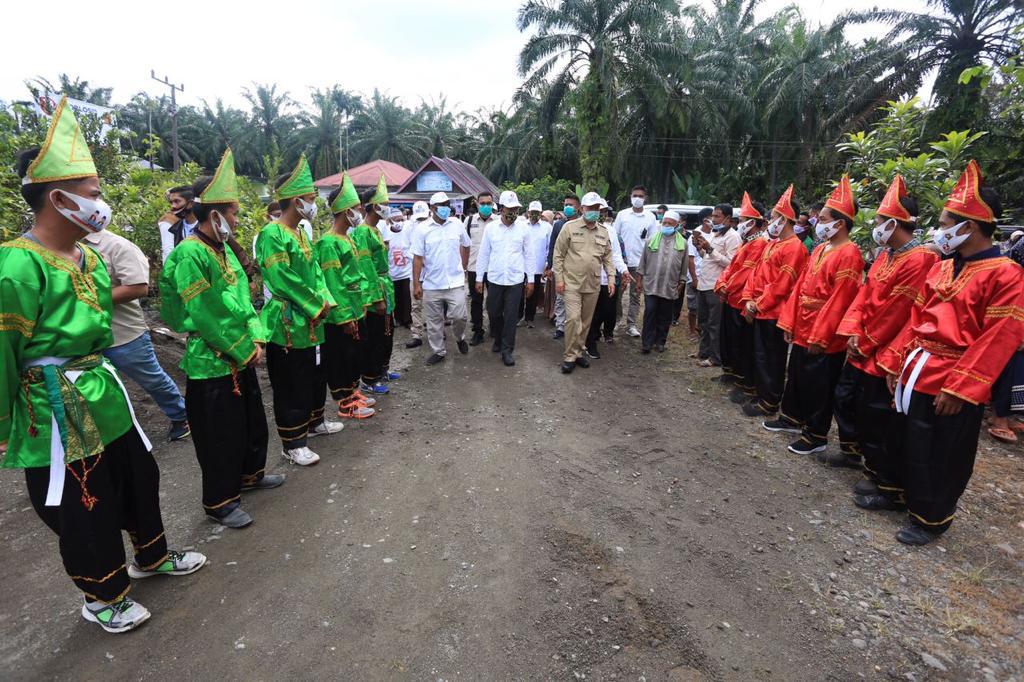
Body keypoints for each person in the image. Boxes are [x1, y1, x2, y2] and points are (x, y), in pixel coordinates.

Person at [2, 98, 205, 633]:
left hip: (103, 386)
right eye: (93, 195)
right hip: (55, 402)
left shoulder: (89, 256)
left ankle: (152, 554)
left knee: (139, 475)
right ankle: (102, 596)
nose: (101, 204)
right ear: (57, 198)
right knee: (81, 500)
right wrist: (5, 424)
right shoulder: (16, 266)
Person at [872, 160, 1024, 545]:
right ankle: (896, 493)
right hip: (918, 365)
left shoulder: (1005, 273)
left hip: (953, 374)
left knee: (940, 447)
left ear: (967, 227)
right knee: (905, 432)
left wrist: (961, 388)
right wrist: (897, 361)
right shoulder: (941, 268)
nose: (938, 231)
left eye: (942, 224)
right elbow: (915, 318)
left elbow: (999, 336)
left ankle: (931, 517)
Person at [160, 150, 284, 529]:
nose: (236, 219)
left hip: (241, 352)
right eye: (232, 212)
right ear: (214, 214)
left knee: (249, 422)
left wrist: (258, 337)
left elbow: (245, 298)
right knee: (219, 435)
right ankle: (220, 502)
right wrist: (245, 348)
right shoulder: (189, 254)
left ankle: (250, 475)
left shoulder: (224, 249)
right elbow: (204, 312)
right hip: (211, 358)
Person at [833, 175, 937, 480]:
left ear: (894, 223)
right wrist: (853, 331)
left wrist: (865, 340)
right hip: (862, 340)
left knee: (874, 410)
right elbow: (864, 295)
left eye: (880, 220)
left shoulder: (920, 259)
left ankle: (875, 469)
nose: (876, 225)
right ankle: (853, 452)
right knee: (846, 397)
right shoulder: (884, 255)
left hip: (886, 348)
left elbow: (896, 311)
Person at [255, 154, 340, 467]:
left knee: (315, 374)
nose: (313, 202)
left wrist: (324, 301)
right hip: (289, 320)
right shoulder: (271, 234)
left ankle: (315, 422)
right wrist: (313, 304)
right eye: (309, 198)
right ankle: (293, 443)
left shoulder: (302, 233)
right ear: (294, 200)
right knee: (291, 382)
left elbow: (316, 272)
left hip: (312, 318)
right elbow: (281, 278)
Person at [771, 175, 865, 456]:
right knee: (798, 375)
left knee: (820, 383)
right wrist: (790, 321)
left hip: (824, 330)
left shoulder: (850, 254)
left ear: (840, 223)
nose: (817, 222)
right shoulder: (822, 248)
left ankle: (816, 434)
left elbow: (841, 300)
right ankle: (792, 418)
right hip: (803, 323)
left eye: (823, 218)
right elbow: (800, 285)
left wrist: (821, 335)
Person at [83, 216, 190, 443]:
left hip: (122, 334)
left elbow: (139, 287)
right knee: (95, 386)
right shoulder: (62, 250)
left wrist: (83, 299)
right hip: (85, 336)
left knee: (150, 378)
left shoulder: (116, 246)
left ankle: (181, 414)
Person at [740, 185, 809, 418]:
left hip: (774, 312)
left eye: (774, 218)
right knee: (759, 355)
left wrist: (757, 304)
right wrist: (749, 299)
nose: (770, 222)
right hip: (760, 308)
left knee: (772, 358)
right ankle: (761, 395)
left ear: (786, 219)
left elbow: (782, 286)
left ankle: (769, 400)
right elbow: (756, 274)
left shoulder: (795, 248)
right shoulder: (773, 243)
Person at [316, 173, 377, 421]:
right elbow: (333, 283)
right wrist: (342, 316)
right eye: (356, 208)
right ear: (343, 210)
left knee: (354, 353)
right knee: (341, 356)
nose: (360, 212)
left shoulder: (347, 238)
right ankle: (345, 403)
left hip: (354, 306)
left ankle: (353, 392)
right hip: (341, 311)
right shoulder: (329, 243)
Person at [553, 192, 616, 374]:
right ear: (582, 209)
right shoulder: (569, 227)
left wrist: (611, 279)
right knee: (573, 319)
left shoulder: (603, 232)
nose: (593, 212)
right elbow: (558, 255)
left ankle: (579, 352)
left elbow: (608, 258)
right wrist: (559, 280)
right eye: (590, 208)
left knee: (585, 322)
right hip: (571, 283)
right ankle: (569, 356)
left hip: (593, 284)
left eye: (597, 208)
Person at [715, 193, 768, 401]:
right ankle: (730, 372)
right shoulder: (747, 243)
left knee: (740, 342)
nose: (741, 224)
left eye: (744, 220)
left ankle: (740, 377)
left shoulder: (759, 244)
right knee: (728, 338)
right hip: (731, 296)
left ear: (754, 222)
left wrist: (727, 286)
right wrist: (722, 283)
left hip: (740, 299)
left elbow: (747, 273)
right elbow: (732, 267)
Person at [411, 192, 472, 365]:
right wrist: (416, 284)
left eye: (447, 204)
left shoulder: (457, 224)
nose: (445, 208)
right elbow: (417, 258)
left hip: (455, 281)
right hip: (432, 284)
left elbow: (466, 245)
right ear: (432, 208)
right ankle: (439, 351)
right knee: (434, 322)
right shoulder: (422, 229)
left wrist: (464, 266)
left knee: (460, 316)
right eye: (441, 205)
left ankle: (459, 337)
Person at [475, 191, 534, 366]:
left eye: (516, 209)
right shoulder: (491, 229)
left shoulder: (524, 228)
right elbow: (484, 254)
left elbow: (529, 255)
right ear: (501, 209)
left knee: (510, 315)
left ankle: (507, 349)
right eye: (510, 209)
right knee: (493, 311)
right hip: (495, 279)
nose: (513, 212)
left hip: (515, 280)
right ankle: (499, 338)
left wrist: (530, 279)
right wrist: (479, 278)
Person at [354, 175, 399, 388]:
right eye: (384, 205)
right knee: (374, 335)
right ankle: (369, 379)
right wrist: (377, 297)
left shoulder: (376, 230)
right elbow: (366, 268)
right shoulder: (362, 233)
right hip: (375, 289)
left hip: (384, 285)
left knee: (387, 331)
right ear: (372, 207)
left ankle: (383, 369)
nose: (387, 208)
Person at [691, 203, 741, 367]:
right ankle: (703, 352)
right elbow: (707, 256)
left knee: (714, 323)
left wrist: (710, 249)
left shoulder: (733, 237)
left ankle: (715, 357)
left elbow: (731, 263)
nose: (713, 219)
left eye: (717, 216)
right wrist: (700, 247)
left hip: (717, 285)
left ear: (727, 218)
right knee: (704, 321)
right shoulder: (715, 234)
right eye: (713, 216)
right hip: (705, 284)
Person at [636, 210, 688, 353]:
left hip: (669, 286)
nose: (666, 225)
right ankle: (646, 343)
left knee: (665, 316)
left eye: (669, 223)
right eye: (664, 222)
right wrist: (639, 281)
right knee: (650, 312)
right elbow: (643, 263)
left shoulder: (682, 243)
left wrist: (682, 283)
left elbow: (684, 267)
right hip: (651, 284)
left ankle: (660, 342)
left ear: (676, 225)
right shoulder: (651, 240)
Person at [584, 200, 629, 358]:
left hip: (606, 279)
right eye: (596, 209)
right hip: (587, 278)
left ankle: (593, 336)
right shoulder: (579, 228)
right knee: (589, 313)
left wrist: (623, 270)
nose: (599, 213)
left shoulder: (610, 231)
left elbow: (615, 254)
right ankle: (589, 343)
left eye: (602, 211)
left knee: (605, 310)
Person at [613, 185, 658, 338]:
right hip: (621, 262)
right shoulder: (622, 215)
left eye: (640, 196)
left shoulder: (650, 217)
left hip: (639, 263)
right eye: (635, 195)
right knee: (617, 294)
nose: (637, 198)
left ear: (645, 198)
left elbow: (653, 242)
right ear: (630, 197)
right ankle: (616, 320)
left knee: (635, 295)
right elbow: (614, 237)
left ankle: (631, 324)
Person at [546, 194, 581, 339]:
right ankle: (560, 326)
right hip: (561, 268)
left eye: (571, 205)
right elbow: (552, 246)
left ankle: (575, 327)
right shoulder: (558, 225)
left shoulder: (582, 224)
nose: (567, 207)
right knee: (560, 297)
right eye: (566, 204)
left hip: (577, 269)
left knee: (576, 299)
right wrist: (550, 266)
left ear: (578, 207)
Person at [464, 191, 496, 346]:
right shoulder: (469, 221)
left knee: (495, 300)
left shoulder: (498, 221)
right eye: (482, 203)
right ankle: (478, 331)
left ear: (493, 204)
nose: (485, 206)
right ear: (477, 203)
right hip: (474, 268)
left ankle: (495, 328)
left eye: (488, 203)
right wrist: (463, 266)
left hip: (494, 268)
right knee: (476, 301)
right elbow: (464, 245)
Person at [519, 200, 551, 327]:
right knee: (520, 293)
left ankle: (530, 318)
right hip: (521, 266)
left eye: (537, 212)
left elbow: (550, 247)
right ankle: (518, 316)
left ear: (541, 213)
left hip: (538, 266)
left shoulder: (547, 227)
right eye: (532, 212)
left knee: (534, 293)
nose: (534, 215)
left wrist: (547, 264)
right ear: (528, 212)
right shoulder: (521, 225)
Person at [404, 201, 431, 348]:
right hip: (414, 273)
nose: (421, 221)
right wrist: (418, 259)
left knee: (434, 304)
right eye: (418, 218)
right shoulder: (408, 227)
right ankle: (417, 334)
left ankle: (437, 331)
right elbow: (406, 248)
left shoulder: (433, 226)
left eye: (423, 218)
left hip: (431, 273)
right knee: (416, 305)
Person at [384, 207, 413, 328]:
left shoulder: (407, 229)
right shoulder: (386, 232)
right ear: (390, 220)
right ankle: (398, 318)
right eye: (396, 219)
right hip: (393, 273)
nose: (399, 222)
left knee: (407, 297)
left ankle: (407, 320)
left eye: (401, 219)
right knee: (396, 298)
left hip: (406, 272)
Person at [158, 185, 198, 263]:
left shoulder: (205, 226)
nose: (173, 206)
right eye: (171, 202)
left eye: (177, 201)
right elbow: (169, 253)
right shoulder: (175, 228)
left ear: (191, 204)